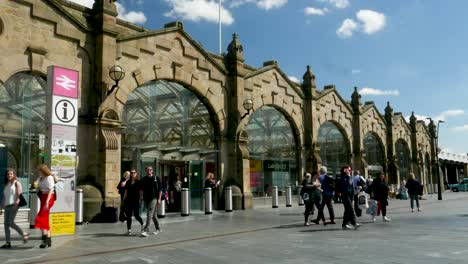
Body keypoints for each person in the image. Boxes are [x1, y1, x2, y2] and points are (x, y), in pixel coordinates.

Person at [0, 168, 29, 248]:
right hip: (6, 206)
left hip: (14, 205)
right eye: (8, 174)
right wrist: (1, 208)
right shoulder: (6, 184)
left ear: (13, 175)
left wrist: (16, 205)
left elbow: (19, 196)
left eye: (11, 174)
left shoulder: (17, 183)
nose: (9, 175)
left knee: (10, 223)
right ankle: (8, 242)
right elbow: (4, 198)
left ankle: (23, 233)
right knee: (6, 224)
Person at [34, 164, 56, 248]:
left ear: (43, 171)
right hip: (43, 197)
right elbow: (37, 187)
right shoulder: (40, 178)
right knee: (45, 218)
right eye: (38, 171)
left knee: (41, 217)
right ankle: (48, 239)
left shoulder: (49, 177)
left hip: (49, 198)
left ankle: (44, 240)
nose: (38, 173)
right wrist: (36, 187)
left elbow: (51, 190)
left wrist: (47, 202)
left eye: (40, 171)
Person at [141, 166, 162, 237]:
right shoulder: (144, 179)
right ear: (146, 171)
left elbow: (160, 190)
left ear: (152, 170)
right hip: (146, 198)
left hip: (154, 198)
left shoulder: (156, 178)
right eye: (147, 169)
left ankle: (146, 230)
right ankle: (158, 228)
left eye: (150, 169)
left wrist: (159, 199)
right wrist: (141, 197)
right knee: (153, 215)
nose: (149, 170)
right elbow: (141, 189)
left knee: (149, 213)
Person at [338, 166, 361, 230]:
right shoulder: (343, 178)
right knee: (350, 209)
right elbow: (344, 186)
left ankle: (344, 225)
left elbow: (351, 186)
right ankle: (354, 223)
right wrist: (347, 175)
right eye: (348, 170)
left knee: (347, 210)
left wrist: (358, 187)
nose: (350, 171)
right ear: (345, 171)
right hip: (345, 195)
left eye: (350, 170)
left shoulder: (350, 177)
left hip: (351, 195)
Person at [124, 169, 144, 236]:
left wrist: (141, 199)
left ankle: (142, 224)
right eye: (131, 173)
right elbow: (126, 192)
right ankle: (129, 230)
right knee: (128, 216)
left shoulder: (139, 182)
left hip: (136, 201)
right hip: (129, 201)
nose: (132, 174)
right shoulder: (128, 182)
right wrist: (124, 199)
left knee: (136, 215)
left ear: (136, 174)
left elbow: (141, 191)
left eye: (134, 173)